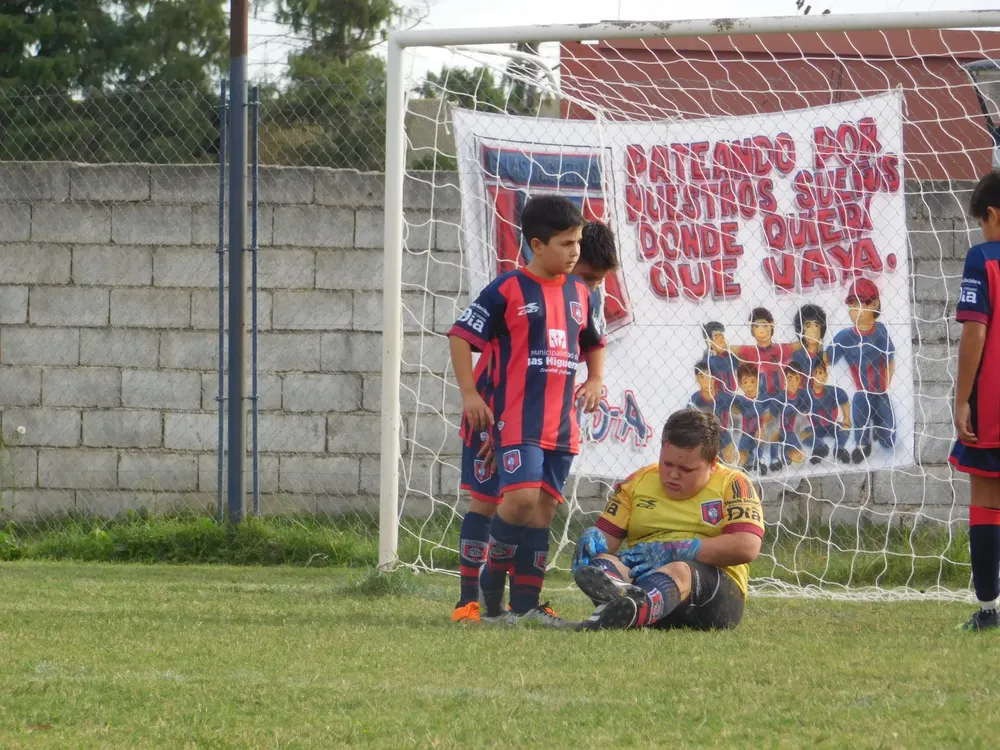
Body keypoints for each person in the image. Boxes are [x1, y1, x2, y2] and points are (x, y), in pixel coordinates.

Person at [448, 196, 606, 628]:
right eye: (567, 243)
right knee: (491, 502)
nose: (576, 251)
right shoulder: (507, 290)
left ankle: (524, 604)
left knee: (538, 511)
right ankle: (473, 602)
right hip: (497, 415)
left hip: (556, 423)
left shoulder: (580, 294)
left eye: (578, 243)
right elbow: (461, 336)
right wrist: (469, 395)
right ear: (537, 244)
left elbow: (593, 342)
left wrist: (594, 379)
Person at [571, 409, 764, 631]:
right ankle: (628, 606)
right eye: (667, 464)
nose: (673, 474)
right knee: (603, 564)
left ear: (712, 463)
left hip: (712, 599)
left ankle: (631, 610)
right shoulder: (637, 482)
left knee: (680, 569)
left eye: (685, 469)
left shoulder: (734, 484)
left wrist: (678, 549)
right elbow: (607, 541)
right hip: (645, 580)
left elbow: (747, 546)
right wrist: (592, 541)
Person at [949, 171, 1000, 631]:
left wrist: (961, 397)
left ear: (993, 216)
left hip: (994, 402)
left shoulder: (984, 257)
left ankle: (988, 610)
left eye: (982, 221)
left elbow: (975, 331)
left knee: (987, 497)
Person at [827, 278, 897, 463]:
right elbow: (826, 359)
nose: (856, 310)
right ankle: (862, 444)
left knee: (889, 441)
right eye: (852, 305)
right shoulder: (845, 337)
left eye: (861, 304)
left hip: (880, 392)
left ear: (874, 304)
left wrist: (886, 384)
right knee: (859, 410)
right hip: (862, 392)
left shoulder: (880, 331)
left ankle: (881, 430)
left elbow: (890, 360)